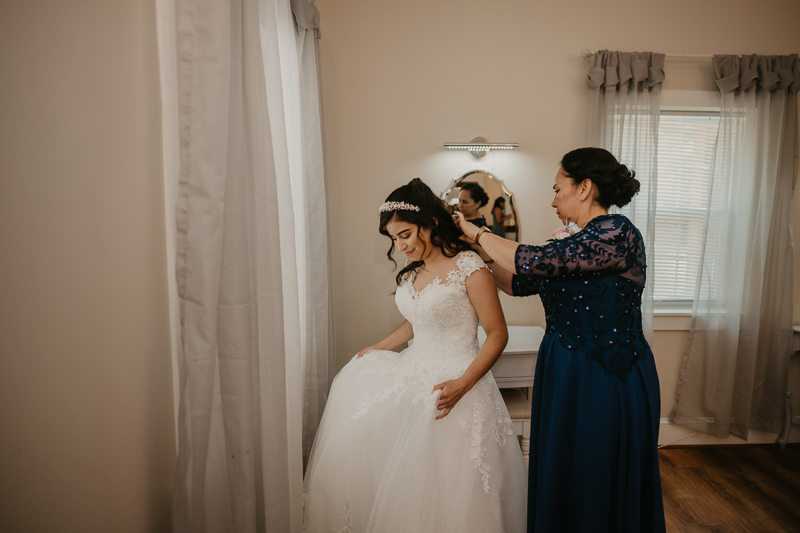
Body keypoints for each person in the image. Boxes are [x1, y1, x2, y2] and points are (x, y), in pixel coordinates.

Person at [456, 147, 666, 533]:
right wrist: (477, 253)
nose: (552, 200)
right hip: (564, 370)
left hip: (608, 374)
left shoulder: (618, 233)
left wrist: (478, 232)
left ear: (585, 187)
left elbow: (529, 259)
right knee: (566, 467)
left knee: (598, 467)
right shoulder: (569, 243)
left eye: (558, 189)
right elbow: (516, 282)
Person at [303, 178, 527, 533]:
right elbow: (416, 322)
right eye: (394, 238)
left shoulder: (469, 266)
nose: (400, 245)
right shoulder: (413, 271)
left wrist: (464, 383)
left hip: (457, 380)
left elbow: (498, 334)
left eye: (405, 234)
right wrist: (379, 347)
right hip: (414, 367)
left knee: (454, 487)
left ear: (430, 225)